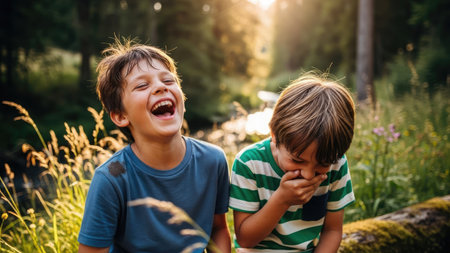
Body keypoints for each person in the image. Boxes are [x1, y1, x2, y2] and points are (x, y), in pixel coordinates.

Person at [78, 40, 231, 253]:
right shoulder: (111, 179)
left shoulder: (213, 161)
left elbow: (217, 229)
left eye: (168, 80)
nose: (161, 87)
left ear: (183, 100)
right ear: (121, 116)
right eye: (142, 85)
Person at [229, 72, 356, 252]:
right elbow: (245, 240)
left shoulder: (337, 164)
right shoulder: (249, 164)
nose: (308, 174)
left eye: (322, 164)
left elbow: (332, 231)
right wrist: (282, 200)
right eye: (297, 160)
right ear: (274, 134)